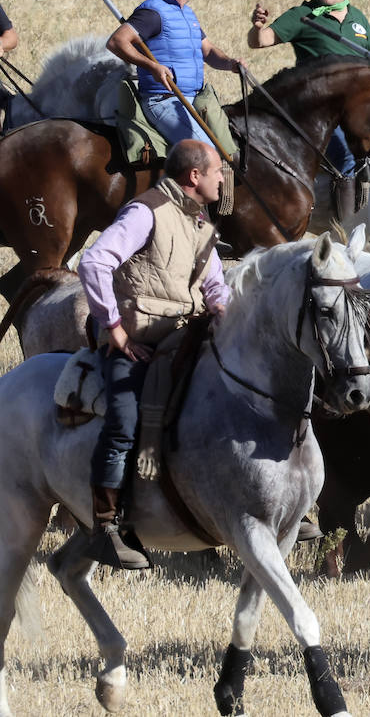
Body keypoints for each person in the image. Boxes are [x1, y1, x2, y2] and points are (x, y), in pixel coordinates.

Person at [77, 140, 232, 569]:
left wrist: (225, 310)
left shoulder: (199, 222)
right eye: (217, 170)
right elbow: (94, 264)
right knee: (125, 422)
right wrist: (115, 331)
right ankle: (106, 526)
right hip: (138, 341)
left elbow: (214, 283)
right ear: (194, 177)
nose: (223, 177)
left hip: (183, 336)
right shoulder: (145, 212)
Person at [247, 0, 370, 178]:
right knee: (347, 155)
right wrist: (257, 27)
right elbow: (259, 42)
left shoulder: (357, 18)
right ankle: (348, 212)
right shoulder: (303, 15)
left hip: (357, 106)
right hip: (321, 109)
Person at [106, 0, 243, 152]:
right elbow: (117, 41)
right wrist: (152, 66)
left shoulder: (187, 14)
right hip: (164, 100)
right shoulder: (152, 12)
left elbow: (209, 51)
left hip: (193, 99)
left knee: (231, 149)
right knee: (205, 153)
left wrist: (231, 64)